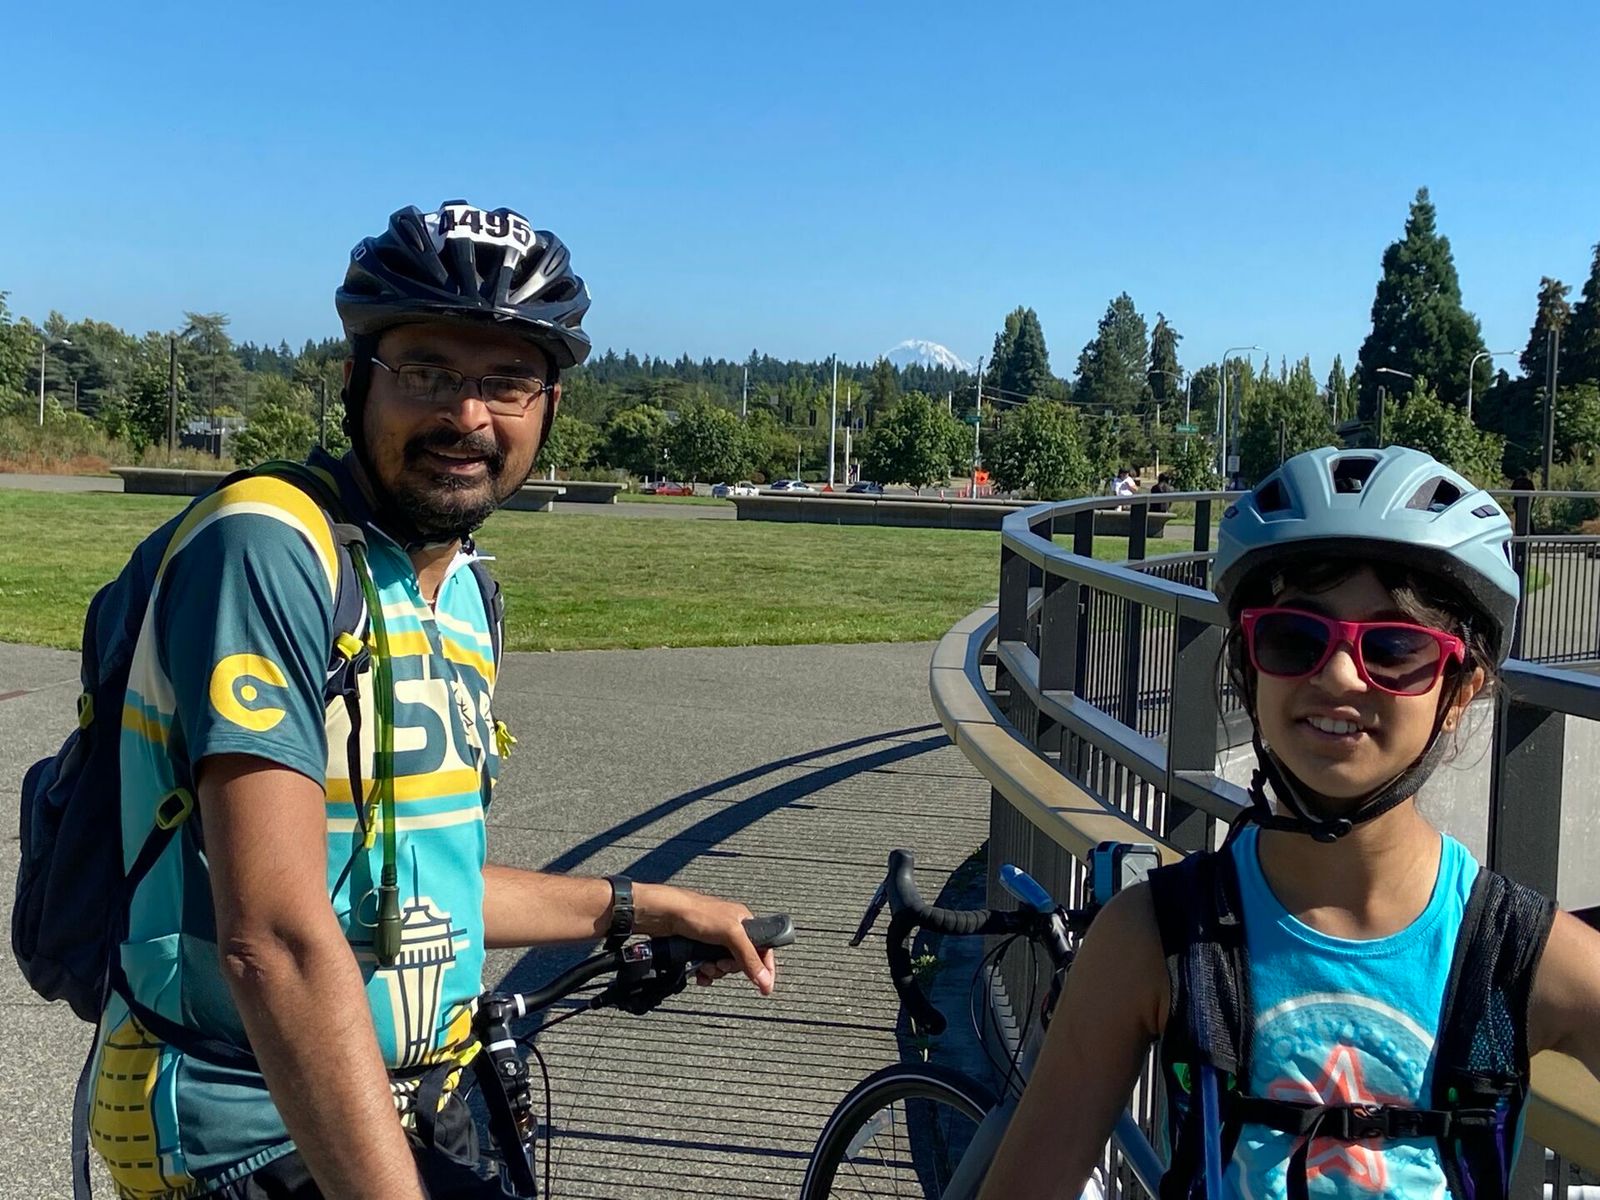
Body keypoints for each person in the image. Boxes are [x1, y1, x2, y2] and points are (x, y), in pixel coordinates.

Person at [86, 201, 779, 1199]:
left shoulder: (462, 590)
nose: (468, 416)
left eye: (508, 380)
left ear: (548, 407)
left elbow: (413, 895)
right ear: (354, 383)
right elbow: (271, 940)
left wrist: (642, 905)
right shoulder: (266, 548)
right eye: (426, 373)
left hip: (427, 1104)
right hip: (252, 1124)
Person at [978, 446, 1600, 1200]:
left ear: (1460, 688)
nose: (1337, 675)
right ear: (1247, 664)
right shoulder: (1155, 940)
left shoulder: (1523, 959)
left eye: (1395, 647)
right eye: (1293, 639)